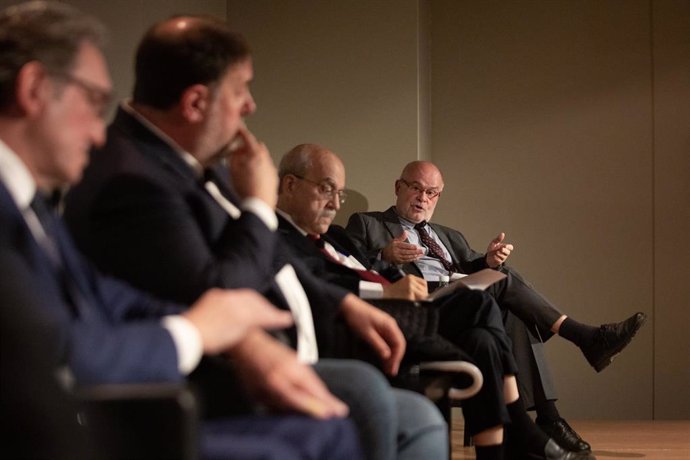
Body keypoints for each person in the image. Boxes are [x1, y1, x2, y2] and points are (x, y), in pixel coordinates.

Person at [62, 12, 447, 460]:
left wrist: (342, 303)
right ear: (194, 104)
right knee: (367, 391)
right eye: (241, 90)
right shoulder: (134, 180)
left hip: (285, 343)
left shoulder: (192, 163)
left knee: (420, 419)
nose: (250, 106)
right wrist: (258, 207)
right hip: (206, 377)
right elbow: (222, 290)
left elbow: (273, 263)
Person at [0, 2, 367, 459]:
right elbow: (63, 353)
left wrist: (231, 329)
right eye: (94, 102)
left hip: (111, 401)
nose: (99, 133)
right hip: (69, 429)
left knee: (328, 431)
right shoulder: (107, 182)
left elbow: (105, 294)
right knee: (335, 418)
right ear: (35, 88)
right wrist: (195, 331)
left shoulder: (31, 202)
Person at [274, 143, 592, 460]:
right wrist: (386, 278)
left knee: (485, 330)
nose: (334, 204)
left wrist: (489, 262)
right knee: (482, 303)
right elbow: (320, 283)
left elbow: (393, 270)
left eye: (339, 194)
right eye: (327, 189)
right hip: (382, 315)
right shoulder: (283, 237)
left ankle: (498, 451)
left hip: (424, 300)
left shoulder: (337, 237)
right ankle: (527, 420)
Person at [347, 159, 648, 451]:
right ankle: (581, 338)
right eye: (416, 188)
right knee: (501, 281)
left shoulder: (449, 235)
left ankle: (547, 418)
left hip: (463, 306)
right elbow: (351, 268)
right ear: (399, 187)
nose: (422, 198)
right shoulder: (367, 223)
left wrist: (487, 261)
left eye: (432, 192)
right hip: (418, 306)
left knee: (508, 296)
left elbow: (470, 266)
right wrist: (385, 256)